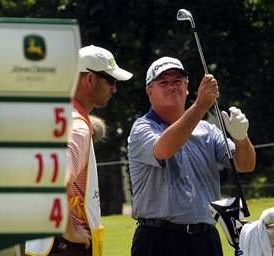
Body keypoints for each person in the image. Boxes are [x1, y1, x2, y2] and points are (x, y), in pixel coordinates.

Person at [127, 56, 256, 256]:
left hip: (205, 239)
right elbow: (164, 150)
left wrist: (241, 137)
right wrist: (200, 106)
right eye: (163, 82)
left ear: (187, 87)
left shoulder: (208, 130)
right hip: (158, 239)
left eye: (178, 81)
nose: (172, 86)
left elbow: (245, 164)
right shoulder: (142, 128)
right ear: (149, 91)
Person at [25, 45, 132, 256]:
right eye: (110, 80)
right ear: (90, 79)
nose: (114, 89)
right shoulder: (77, 126)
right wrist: (70, 231)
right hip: (64, 246)